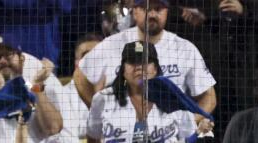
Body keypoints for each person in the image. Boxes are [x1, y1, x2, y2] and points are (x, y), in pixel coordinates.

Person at [73, 0, 217, 116]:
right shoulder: (112, 45)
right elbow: (80, 76)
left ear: (167, 12)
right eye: (145, 8)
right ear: (135, 11)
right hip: (123, 138)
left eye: (158, 8)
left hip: (170, 140)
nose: (152, 14)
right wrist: (99, 113)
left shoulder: (185, 49)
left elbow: (209, 97)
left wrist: (189, 124)